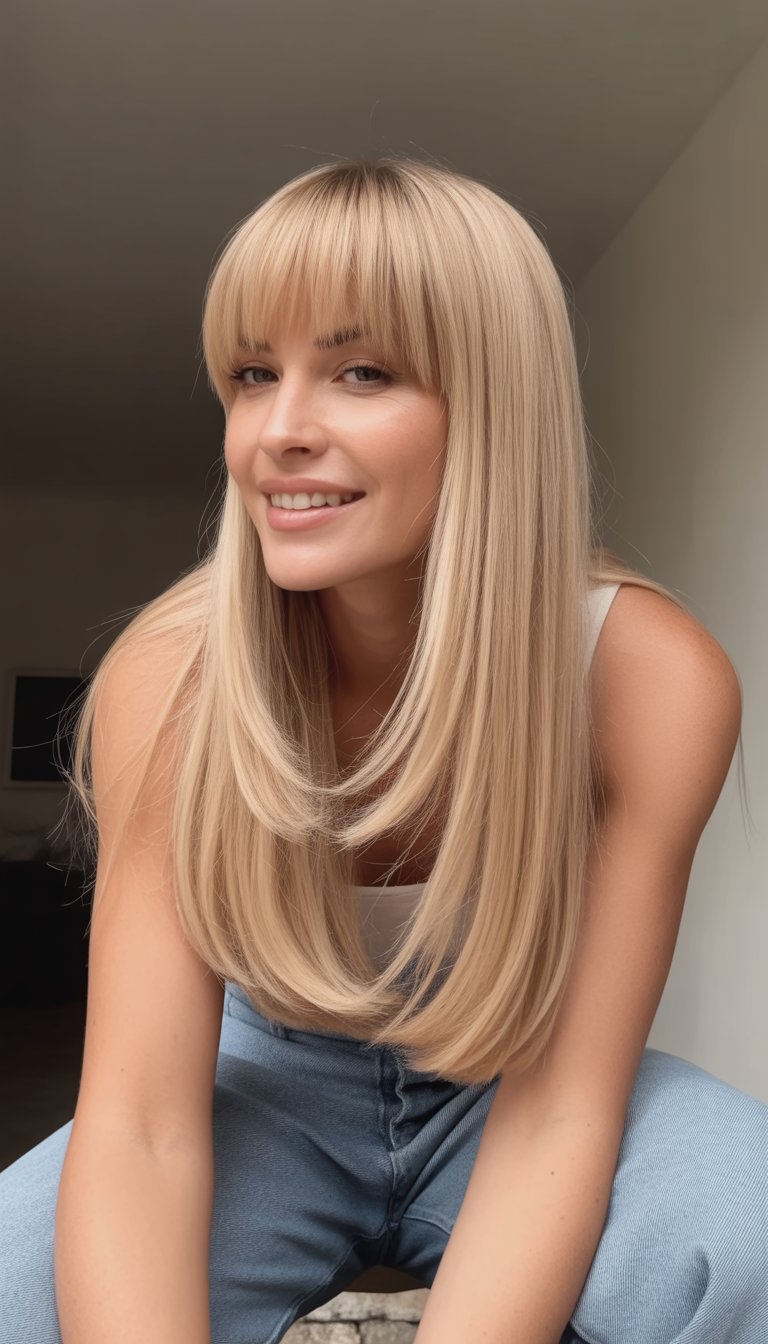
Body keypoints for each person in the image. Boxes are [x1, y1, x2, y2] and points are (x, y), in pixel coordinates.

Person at [1, 156, 765, 1344]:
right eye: (254, 374)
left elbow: (562, 1114)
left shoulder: (648, 679)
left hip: (521, 1071)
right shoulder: (168, 679)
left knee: (747, 1224)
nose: (280, 431)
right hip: (265, 1084)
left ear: (496, 404)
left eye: (362, 372)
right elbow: (142, 1121)